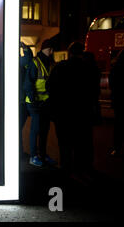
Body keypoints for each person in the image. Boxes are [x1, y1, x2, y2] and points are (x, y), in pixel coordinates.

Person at [47, 41, 99, 181]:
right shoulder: (89, 68)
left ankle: (66, 170)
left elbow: (50, 87)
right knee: (82, 143)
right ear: (82, 53)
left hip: (63, 113)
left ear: (69, 53)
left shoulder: (60, 67)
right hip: (83, 113)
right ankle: (82, 169)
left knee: (64, 143)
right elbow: (95, 92)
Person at [24, 39, 56, 167]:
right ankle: (33, 156)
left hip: (45, 102)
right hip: (34, 103)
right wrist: (33, 99)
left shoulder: (49, 63)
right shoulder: (35, 62)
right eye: (50, 49)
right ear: (44, 49)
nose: (52, 52)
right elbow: (28, 83)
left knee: (44, 130)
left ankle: (42, 155)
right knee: (36, 129)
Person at [108, 43, 124, 156]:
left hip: (119, 100)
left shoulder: (115, 68)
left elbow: (112, 85)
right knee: (122, 124)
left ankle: (118, 147)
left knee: (119, 124)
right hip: (123, 100)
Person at [19, 42, 33, 158]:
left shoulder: (18, 61)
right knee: (18, 128)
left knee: (17, 128)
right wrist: (25, 48)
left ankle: (19, 152)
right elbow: (28, 60)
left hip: (20, 100)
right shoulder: (19, 61)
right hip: (20, 101)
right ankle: (19, 152)